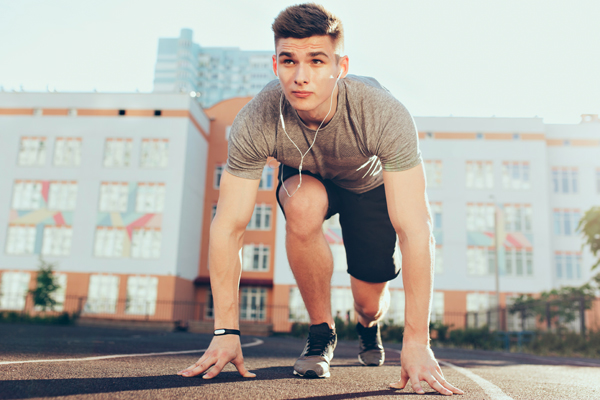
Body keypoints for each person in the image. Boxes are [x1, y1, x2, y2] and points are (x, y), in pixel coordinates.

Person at [178, 3, 463, 396]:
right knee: (301, 205)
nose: (300, 76)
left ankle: (367, 326)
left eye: (316, 61)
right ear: (274, 64)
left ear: (340, 67)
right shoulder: (256, 119)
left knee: (368, 302)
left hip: (368, 187)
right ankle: (321, 331)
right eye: (288, 60)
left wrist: (417, 341)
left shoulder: (381, 112)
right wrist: (226, 331)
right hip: (306, 178)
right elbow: (228, 225)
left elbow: (416, 229)